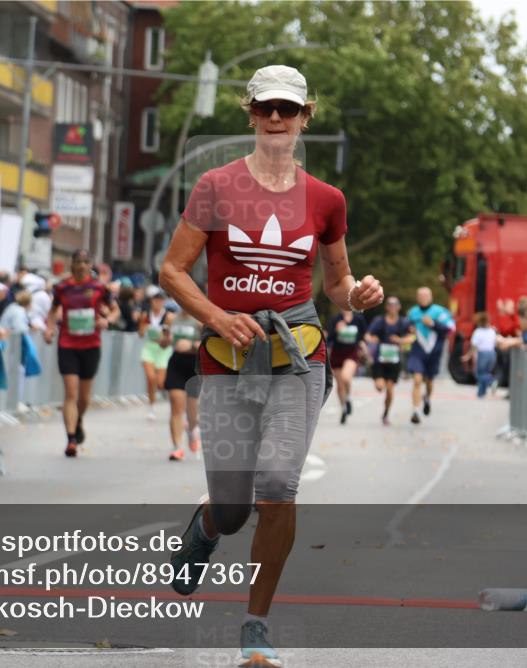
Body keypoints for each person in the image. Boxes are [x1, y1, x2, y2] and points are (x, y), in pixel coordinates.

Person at [158, 65, 384, 665]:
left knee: (279, 486)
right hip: (227, 359)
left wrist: (357, 295)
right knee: (233, 510)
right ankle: (205, 530)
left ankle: (255, 625)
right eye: (266, 109)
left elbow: (337, 280)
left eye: (288, 109)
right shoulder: (214, 186)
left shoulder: (326, 200)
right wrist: (215, 316)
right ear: (250, 114)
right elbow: (173, 270)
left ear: (307, 114)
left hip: (298, 355)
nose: (277, 119)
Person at [45, 248, 116, 457]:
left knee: (84, 398)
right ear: (72, 264)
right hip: (67, 344)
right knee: (71, 392)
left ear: (90, 265)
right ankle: (71, 440)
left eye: (86, 262)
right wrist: (49, 329)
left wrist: (106, 320)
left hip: (91, 345)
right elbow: (52, 312)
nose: (82, 265)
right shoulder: (62, 287)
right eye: (79, 261)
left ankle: (78, 420)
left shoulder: (99, 288)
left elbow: (115, 310)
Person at [405, 286, 455, 425]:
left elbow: (451, 329)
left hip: (434, 352)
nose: (423, 298)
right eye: (421, 296)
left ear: (431, 297)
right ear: (417, 298)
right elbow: (405, 326)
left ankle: (427, 398)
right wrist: (409, 328)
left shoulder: (440, 312)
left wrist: (433, 324)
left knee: (429, 381)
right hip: (418, 351)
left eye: (426, 296)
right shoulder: (413, 312)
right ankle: (416, 411)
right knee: (417, 380)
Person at [163, 308, 202, 461]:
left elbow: (208, 344)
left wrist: (191, 345)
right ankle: (177, 447)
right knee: (175, 403)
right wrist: (164, 340)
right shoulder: (171, 319)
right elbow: (164, 343)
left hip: (194, 365)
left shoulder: (199, 320)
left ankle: (192, 431)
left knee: (192, 409)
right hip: (176, 363)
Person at [365, 296, 411, 425]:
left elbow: (412, 337)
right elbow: (367, 334)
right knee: (380, 387)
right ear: (386, 307)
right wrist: (371, 339)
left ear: (399, 307)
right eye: (390, 305)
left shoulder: (403, 322)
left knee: (390, 390)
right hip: (380, 359)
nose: (392, 307)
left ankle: (385, 413)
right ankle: (379, 383)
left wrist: (400, 341)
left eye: (395, 305)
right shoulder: (379, 321)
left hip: (394, 361)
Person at [326, 308, 368, 424]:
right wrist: (336, 330)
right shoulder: (336, 319)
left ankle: (348, 397)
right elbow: (329, 339)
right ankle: (343, 408)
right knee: (339, 385)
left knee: (346, 378)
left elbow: (363, 336)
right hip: (337, 354)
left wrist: (363, 345)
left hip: (352, 353)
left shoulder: (358, 319)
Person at [139, 289, 174, 421]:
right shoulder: (145, 315)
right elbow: (141, 334)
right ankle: (152, 408)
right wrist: (145, 327)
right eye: (155, 300)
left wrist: (164, 336)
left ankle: (168, 398)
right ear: (151, 301)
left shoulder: (169, 317)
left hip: (163, 350)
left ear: (164, 302)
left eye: (160, 300)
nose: (158, 303)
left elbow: (170, 336)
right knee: (150, 378)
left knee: (160, 383)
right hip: (149, 349)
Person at [465, 311, 497, 398]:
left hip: (483, 353)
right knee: (486, 372)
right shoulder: (492, 331)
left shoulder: (478, 332)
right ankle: (481, 392)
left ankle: (492, 380)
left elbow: (474, 346)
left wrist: (468, 356)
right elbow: (495, 343)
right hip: (492, 353)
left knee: (479, 374)